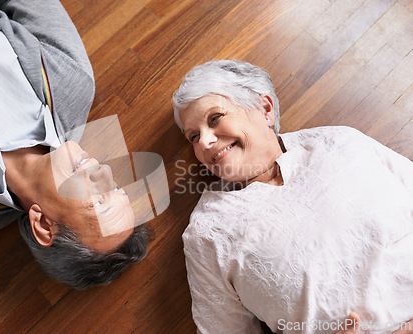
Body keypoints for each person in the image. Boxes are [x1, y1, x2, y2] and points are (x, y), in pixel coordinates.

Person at [0, 0, 149, 290]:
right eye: (117, 188)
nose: (105, 174)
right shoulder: (70, 81)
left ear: (44, 226)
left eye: (98, 202)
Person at [172, 59, 413, 333]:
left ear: (264, 109)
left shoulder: (341, 143)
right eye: (193, 137)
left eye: (215, 119)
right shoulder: (207, 233)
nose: (204, 142)